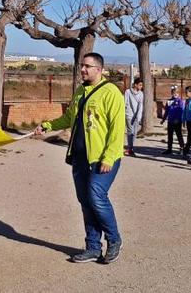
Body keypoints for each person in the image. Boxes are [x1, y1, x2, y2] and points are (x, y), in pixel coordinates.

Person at [35, 53, 125, 264]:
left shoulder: (111, 93)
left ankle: (114, 240)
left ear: (99, 69)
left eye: (87, 66)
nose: (82, 69)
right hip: (79, 157)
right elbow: (69, 118)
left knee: (96, 197)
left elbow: (117, 127)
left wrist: (109, 157)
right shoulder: (80, 91)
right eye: (81, 66)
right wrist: (48, 126)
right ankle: (93, 247)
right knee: (85, 201)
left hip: (102, 158)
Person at [161, 86, 184, 155]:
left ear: (178, 93)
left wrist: (177, 119)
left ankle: (182, 149)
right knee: (170, 135)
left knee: (179, 135)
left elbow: (181, 111)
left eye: (176, 92)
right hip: (170, 121)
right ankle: (169, 149)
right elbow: (166, 111)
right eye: (173, 92)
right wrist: (163, 119)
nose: (175, 94)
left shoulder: (180, 101)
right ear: (171, 93)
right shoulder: (169, 101)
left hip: (177, 121)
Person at [124, 77, 143, 157]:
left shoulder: (141, 94)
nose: (141, 86)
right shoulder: (128, 92)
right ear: (135, 85)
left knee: (135, 133)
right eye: (140, 85)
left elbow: (140, 106)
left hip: (136, 116)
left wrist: (138, 117)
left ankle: (130, 148)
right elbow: (124, 102)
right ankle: (130, 149)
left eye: (142, 85)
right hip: (129, 115)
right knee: (130, 132)